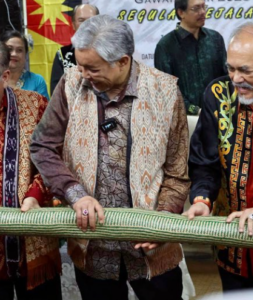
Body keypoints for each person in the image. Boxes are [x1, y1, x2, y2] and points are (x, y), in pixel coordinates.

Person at [30, 14, 191, 300]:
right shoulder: (71, 86)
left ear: (123, 61)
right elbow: (42, 146)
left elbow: (177, 171)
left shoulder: (164, 91)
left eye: (92, 68)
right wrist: (76, 194)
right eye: (80, 66)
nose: (84, 75)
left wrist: (163, 222)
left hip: (151, 248)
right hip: (94, 249)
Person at [184, 22, 253, 292]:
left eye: (245, 70)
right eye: (231, 68)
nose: (236, 79)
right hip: (231, 238)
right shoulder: (218, 94)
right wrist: (202, 198)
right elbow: (204, 161)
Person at [0, 42, 61, 300]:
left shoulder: (35, 105)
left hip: (32, 239)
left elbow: (54, 158)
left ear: (4, 76)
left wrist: (35, 193)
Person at [154, 0, 227, 115]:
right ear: (181, 13)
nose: (203, 12)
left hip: (218, 115)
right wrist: (195, 110)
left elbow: (226, 78)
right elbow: (166, 92)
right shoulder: (166, 46)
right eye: (196, 8)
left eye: (204, 7)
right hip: (185, 120)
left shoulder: (215, 39)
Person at [50, 4, 99, 95]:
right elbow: (56, 94)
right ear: (73, 25)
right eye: (81, 20)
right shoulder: (62, 55)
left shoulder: (109, 52)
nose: (86, 25)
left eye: (91, 20)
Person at [0, 30, 49, 100]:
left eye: (19, 50)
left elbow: (46, 109)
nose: (14, 54)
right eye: (10, 49)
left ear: (25, 54)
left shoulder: (37, 81)